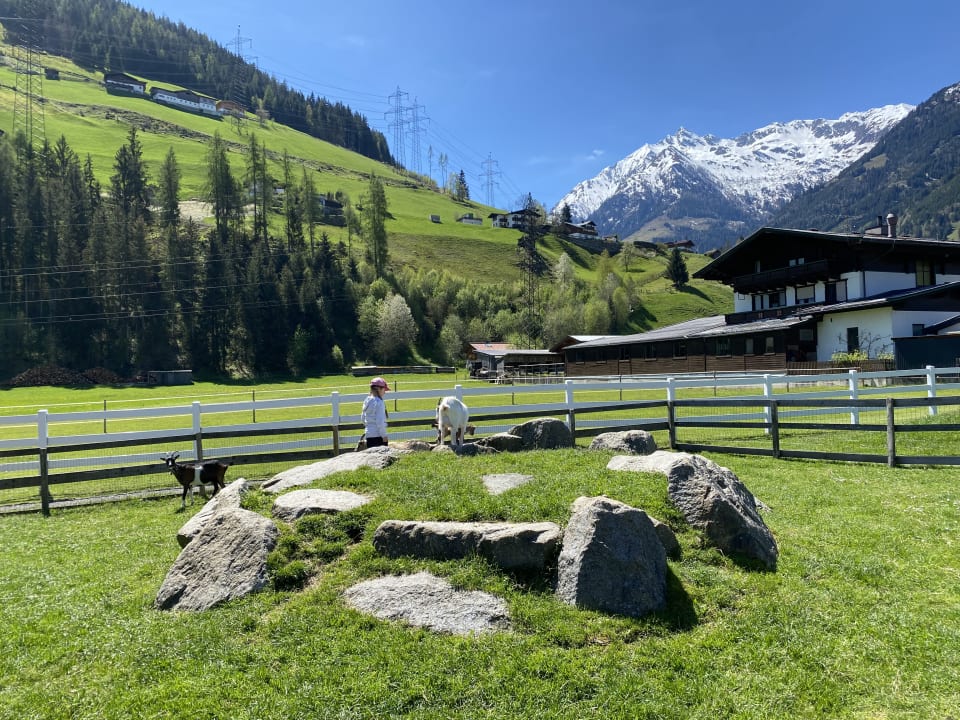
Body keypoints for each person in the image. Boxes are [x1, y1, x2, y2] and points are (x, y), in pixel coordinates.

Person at [361, 377, 390, 447]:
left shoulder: (367, 400)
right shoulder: (379, 402)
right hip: (378, 435)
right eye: (384, 389)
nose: (385, 392)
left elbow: (362, 418)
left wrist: (369, 426)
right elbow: (380, 421)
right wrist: (384, 436)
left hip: (369, 435)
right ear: (378, 389)